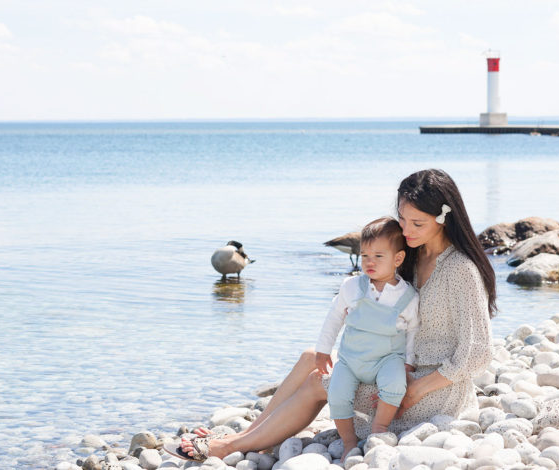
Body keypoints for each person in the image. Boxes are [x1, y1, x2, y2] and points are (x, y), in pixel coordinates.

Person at [170, 168, 495, 462]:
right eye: (403, 219)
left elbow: (479, 352)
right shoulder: (410, 254)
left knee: (318, 382)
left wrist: (417, 389)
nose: (406, 230)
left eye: (417, 223)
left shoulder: (461, 270)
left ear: (444, 218)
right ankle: (248, 436)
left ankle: (230, 447)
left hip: (432, 393)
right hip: (392, 365)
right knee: (313, 357)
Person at [316, 216, 419, 460]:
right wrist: (323, 350)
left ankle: (378, 429)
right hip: (351, 359)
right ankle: (349, 439)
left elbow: (413, 330)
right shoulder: (351, 287)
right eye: (364, 256)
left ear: (398, 259)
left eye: (378, 256)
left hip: (387, 358)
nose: (369, 262)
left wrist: (409, 361)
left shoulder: (407, 296)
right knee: (337, 393)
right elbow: (334, 319)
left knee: (395, 385)